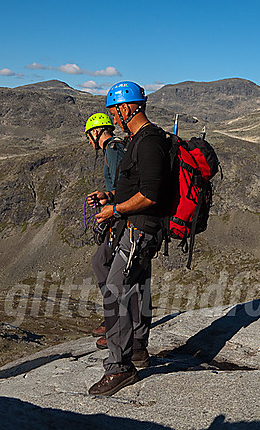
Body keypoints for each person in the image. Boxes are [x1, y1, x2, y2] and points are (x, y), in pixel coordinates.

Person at [85, 81, 170, 396]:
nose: (114, 116)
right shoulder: (139, 140)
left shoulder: (148, 143)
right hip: (134, 225)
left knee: (117, 289)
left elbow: (149, 195)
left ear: (127, 107)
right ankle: (137, 348)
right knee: (135, 285)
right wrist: (109, 196)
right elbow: (137, 185)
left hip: (140, 227)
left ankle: (120, 367)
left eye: (115, 109)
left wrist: (114, 210)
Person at [84, 113, 126, 345]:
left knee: (101, 264)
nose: (89, 141)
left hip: (121, 216)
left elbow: (124, 187)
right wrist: (104, 198)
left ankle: (115, 325)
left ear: (96, 131)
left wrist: (111, 207)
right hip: (117, 212)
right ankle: (113, 321)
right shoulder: (115, 148)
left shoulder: (112, 149)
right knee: (105, 264)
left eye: (89, 136)